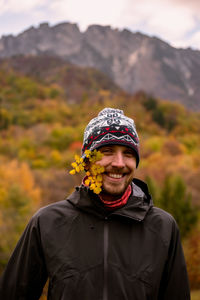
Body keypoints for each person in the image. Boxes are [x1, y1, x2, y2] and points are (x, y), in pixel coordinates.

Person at [0, 108, 190, 299]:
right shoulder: (47, 223)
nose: (118, 162)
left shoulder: (163, 227)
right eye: (107, 151)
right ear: (87, 161)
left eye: (128, 153)